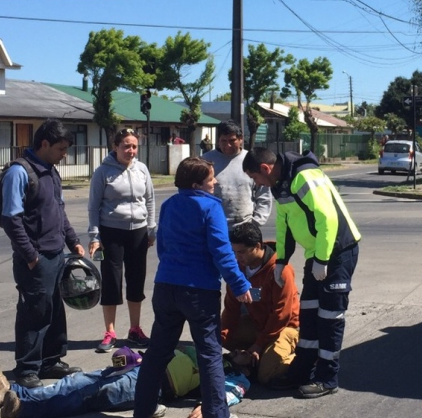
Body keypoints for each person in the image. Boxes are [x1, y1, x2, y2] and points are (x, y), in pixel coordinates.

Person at [133, 157, 254, 418]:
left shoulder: (169, 205)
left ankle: (143, 409)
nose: (216, 182)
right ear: (198, 184)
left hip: (166, 286)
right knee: (209, 353)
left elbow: (162, 246)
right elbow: (222, 252)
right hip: (199, 291)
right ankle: (216, 413)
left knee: (157, 353)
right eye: (211, 179)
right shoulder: (210, 208)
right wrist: (240, 284)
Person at [242, 147, 361, 399]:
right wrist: (281, 260)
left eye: (255, 178)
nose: (257, 183)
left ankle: (327, 378)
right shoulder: (280, 185)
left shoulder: (304, 177)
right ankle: (302, 372)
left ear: (265, 169)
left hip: (337, 252)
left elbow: (327, 218)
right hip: (317, 254)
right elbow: (283, 223)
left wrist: (322, 259)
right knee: (309, 316)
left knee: (329, 318)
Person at [0, 119, 85, 390]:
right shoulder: (20, 172)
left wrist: (73, 241)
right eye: (61, 149)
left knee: (54, 310)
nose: (64, 154)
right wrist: (30, 256)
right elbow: (11, 219)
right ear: (44, 144)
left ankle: (51, 361)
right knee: (33, 313)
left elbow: (58, 211)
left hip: (56, 254)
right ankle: (26, 369)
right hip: (35, 258)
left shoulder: (50, 170)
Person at [0, 346, 250, 418]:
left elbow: (231, 393)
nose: (243, 350)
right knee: (75, 381)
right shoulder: (206, 348)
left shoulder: (235, 376)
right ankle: (12, 391)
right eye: (243, 348)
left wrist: (209, 406)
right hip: (136, 365)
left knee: (86, 397)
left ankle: (23, 410)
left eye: (248, 353)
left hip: (154, 385)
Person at [88, 128, 156, 353]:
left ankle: (135, 329)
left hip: (138, 232)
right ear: (115, 147)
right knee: (111, 280)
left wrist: (151, 229)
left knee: (136, 280)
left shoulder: (142, 169)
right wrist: (95, 236)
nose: (131, 151)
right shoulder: (103, 172)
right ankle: (110, 331)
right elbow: (94, 206)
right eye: (126, 146)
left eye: (134, 146)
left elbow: (149, 200)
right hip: (111, 232)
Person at [221, 222, 300, 386]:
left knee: (266, 375)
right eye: (234, 252)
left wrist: (258, 345)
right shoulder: (238, 269)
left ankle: (306, 357)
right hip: (259, 326)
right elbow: (231, 308)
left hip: (285, 327)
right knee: (223, 338)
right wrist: (220, 337)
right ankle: (262, 354)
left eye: (242, 252)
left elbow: (281, 314)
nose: (237, 257)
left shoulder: (280, 270)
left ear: (257, 246)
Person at [202, 121, 273, 229]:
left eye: (232, 140)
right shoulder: (205, 161)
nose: (227, 145)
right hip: (214, 227)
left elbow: (264, 195)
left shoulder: (252, 159)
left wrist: (255, 223)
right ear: (218, 140)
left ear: (240, 139)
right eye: (223, 141)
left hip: (246, 227)